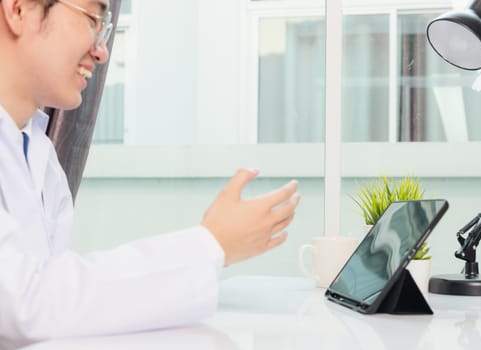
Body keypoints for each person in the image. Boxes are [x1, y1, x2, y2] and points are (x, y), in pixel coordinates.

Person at [0, 0, 300, 348]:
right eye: (92, 18)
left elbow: (59, 306)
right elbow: (23, 303)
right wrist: (210, 244)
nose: (101, 52)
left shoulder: (37, 151)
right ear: (19, 10)